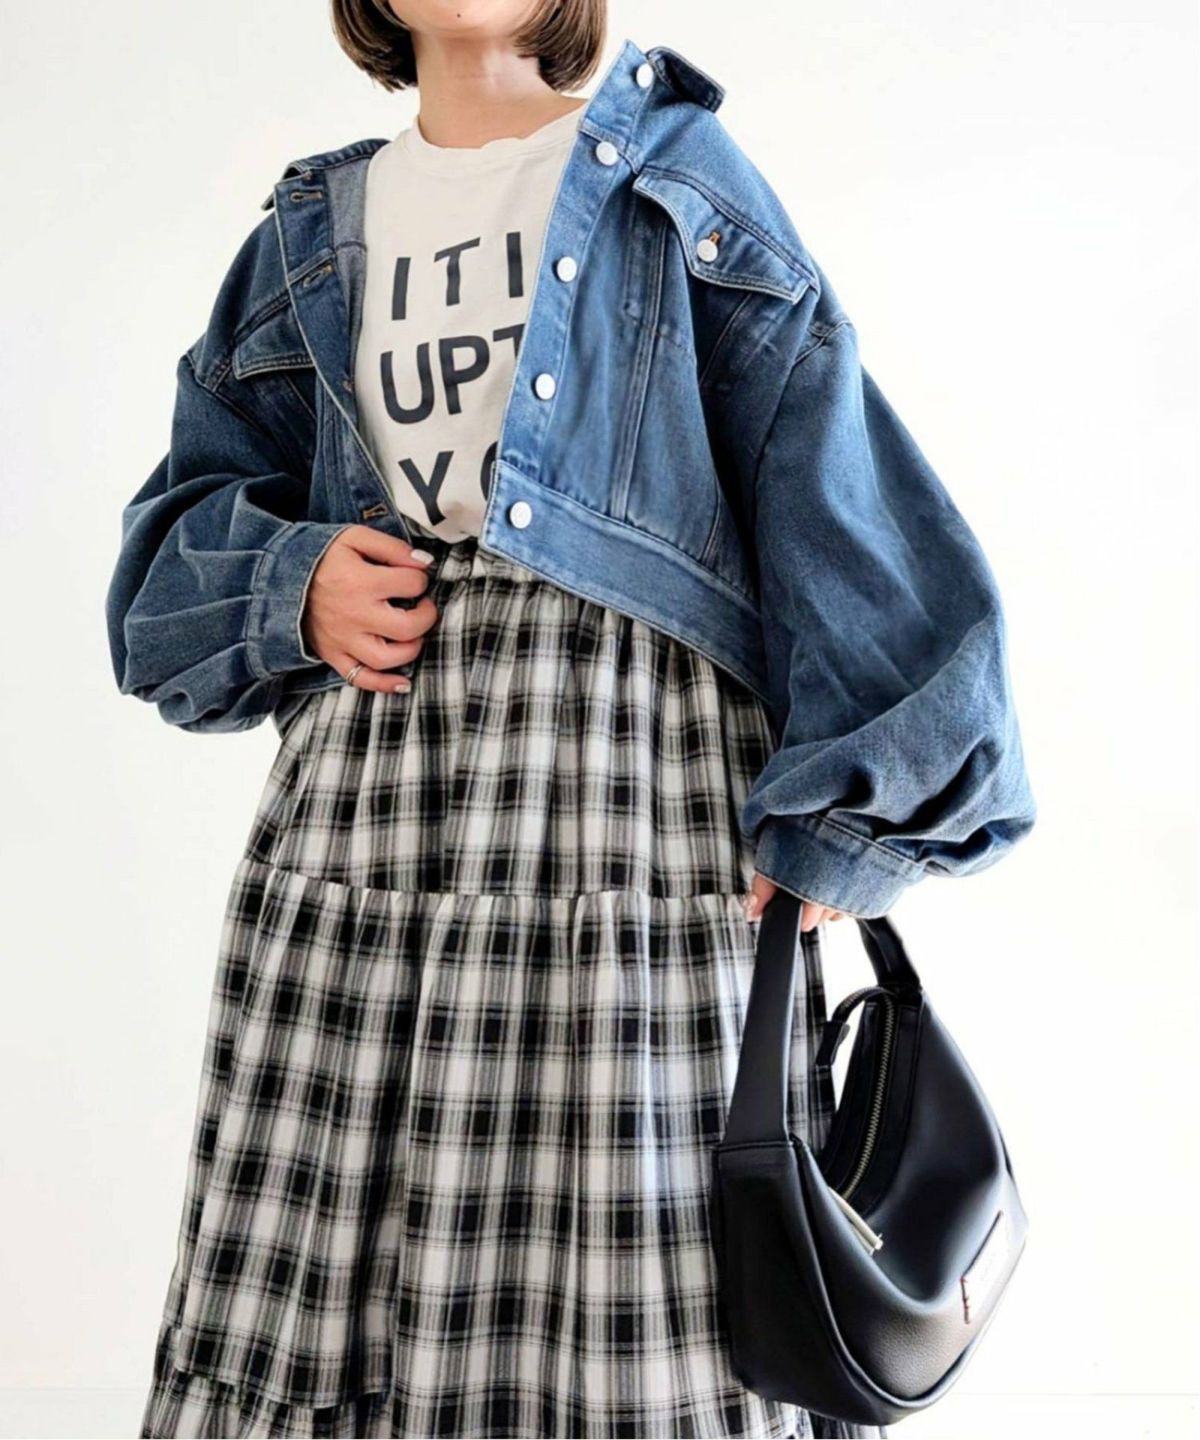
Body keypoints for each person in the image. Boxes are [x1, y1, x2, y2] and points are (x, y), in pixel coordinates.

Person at [106, 4, 1037, 1437]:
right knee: (325, 1292)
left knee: (625, 1312)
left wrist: (850, 823)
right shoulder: (304, 236)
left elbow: (843, 497)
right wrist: (292, 584)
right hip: (364, 838)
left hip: (628, 820)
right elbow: (160, 588)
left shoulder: (675, 183)